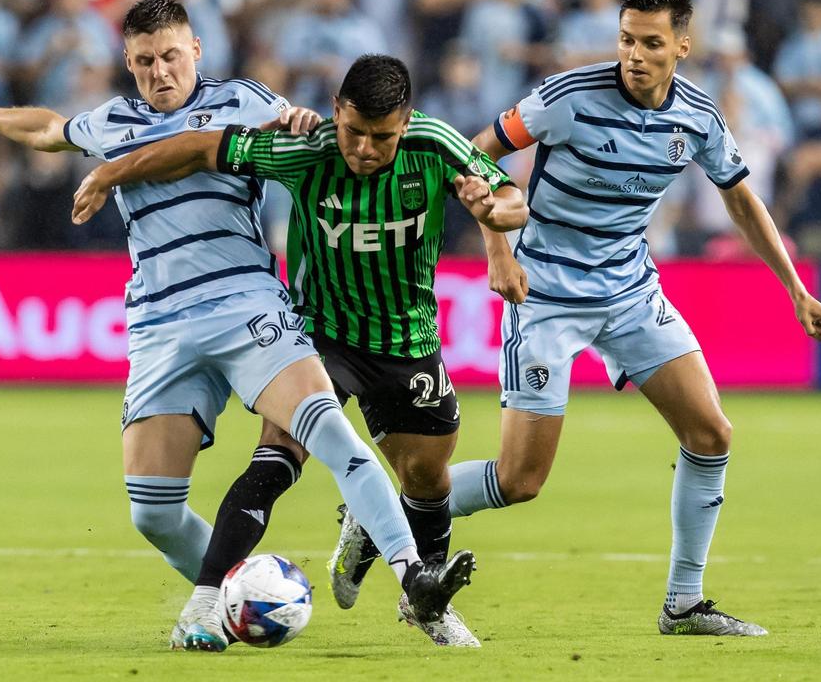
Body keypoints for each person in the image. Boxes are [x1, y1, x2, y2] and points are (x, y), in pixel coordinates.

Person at [0, 0, 475, 653]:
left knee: (335, 439)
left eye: (172, 55)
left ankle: (414, 584)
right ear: (127, 62)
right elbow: (47, 127)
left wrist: (295, 117)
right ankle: (243, 596)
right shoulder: (111, 122)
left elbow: (320, 133)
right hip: (159, 323)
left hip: (248, 306)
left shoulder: (246, 101)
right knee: (152, 512)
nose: (161, 70)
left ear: (197, 50)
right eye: (146, 60)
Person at [415, 0, 821, 636]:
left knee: (711, 434)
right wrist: (498, 251)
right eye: (625, 39)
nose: (634, 55)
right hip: (546, 296)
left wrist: (794, 288)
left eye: (650, 43)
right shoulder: (564, 99)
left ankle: (684, 604)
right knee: (522, 479)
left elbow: (739, 199)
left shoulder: (697, 116)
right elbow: (471, 156)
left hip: (630, 294)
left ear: (682, 46)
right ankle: (392, 511)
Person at [72, 54, 526, 647]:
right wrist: (111, 173)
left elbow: (510, 195)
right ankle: (206, 602)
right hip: (320, 332)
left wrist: (495, 219)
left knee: (426, 477)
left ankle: (421, 599)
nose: (364, 149)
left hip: (405, 338)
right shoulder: (303, 150)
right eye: (354, 132)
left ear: (407, 121)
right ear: (336, 111)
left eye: (381, 138)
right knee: (277, 456)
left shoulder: (435, 145)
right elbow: (197, 147)